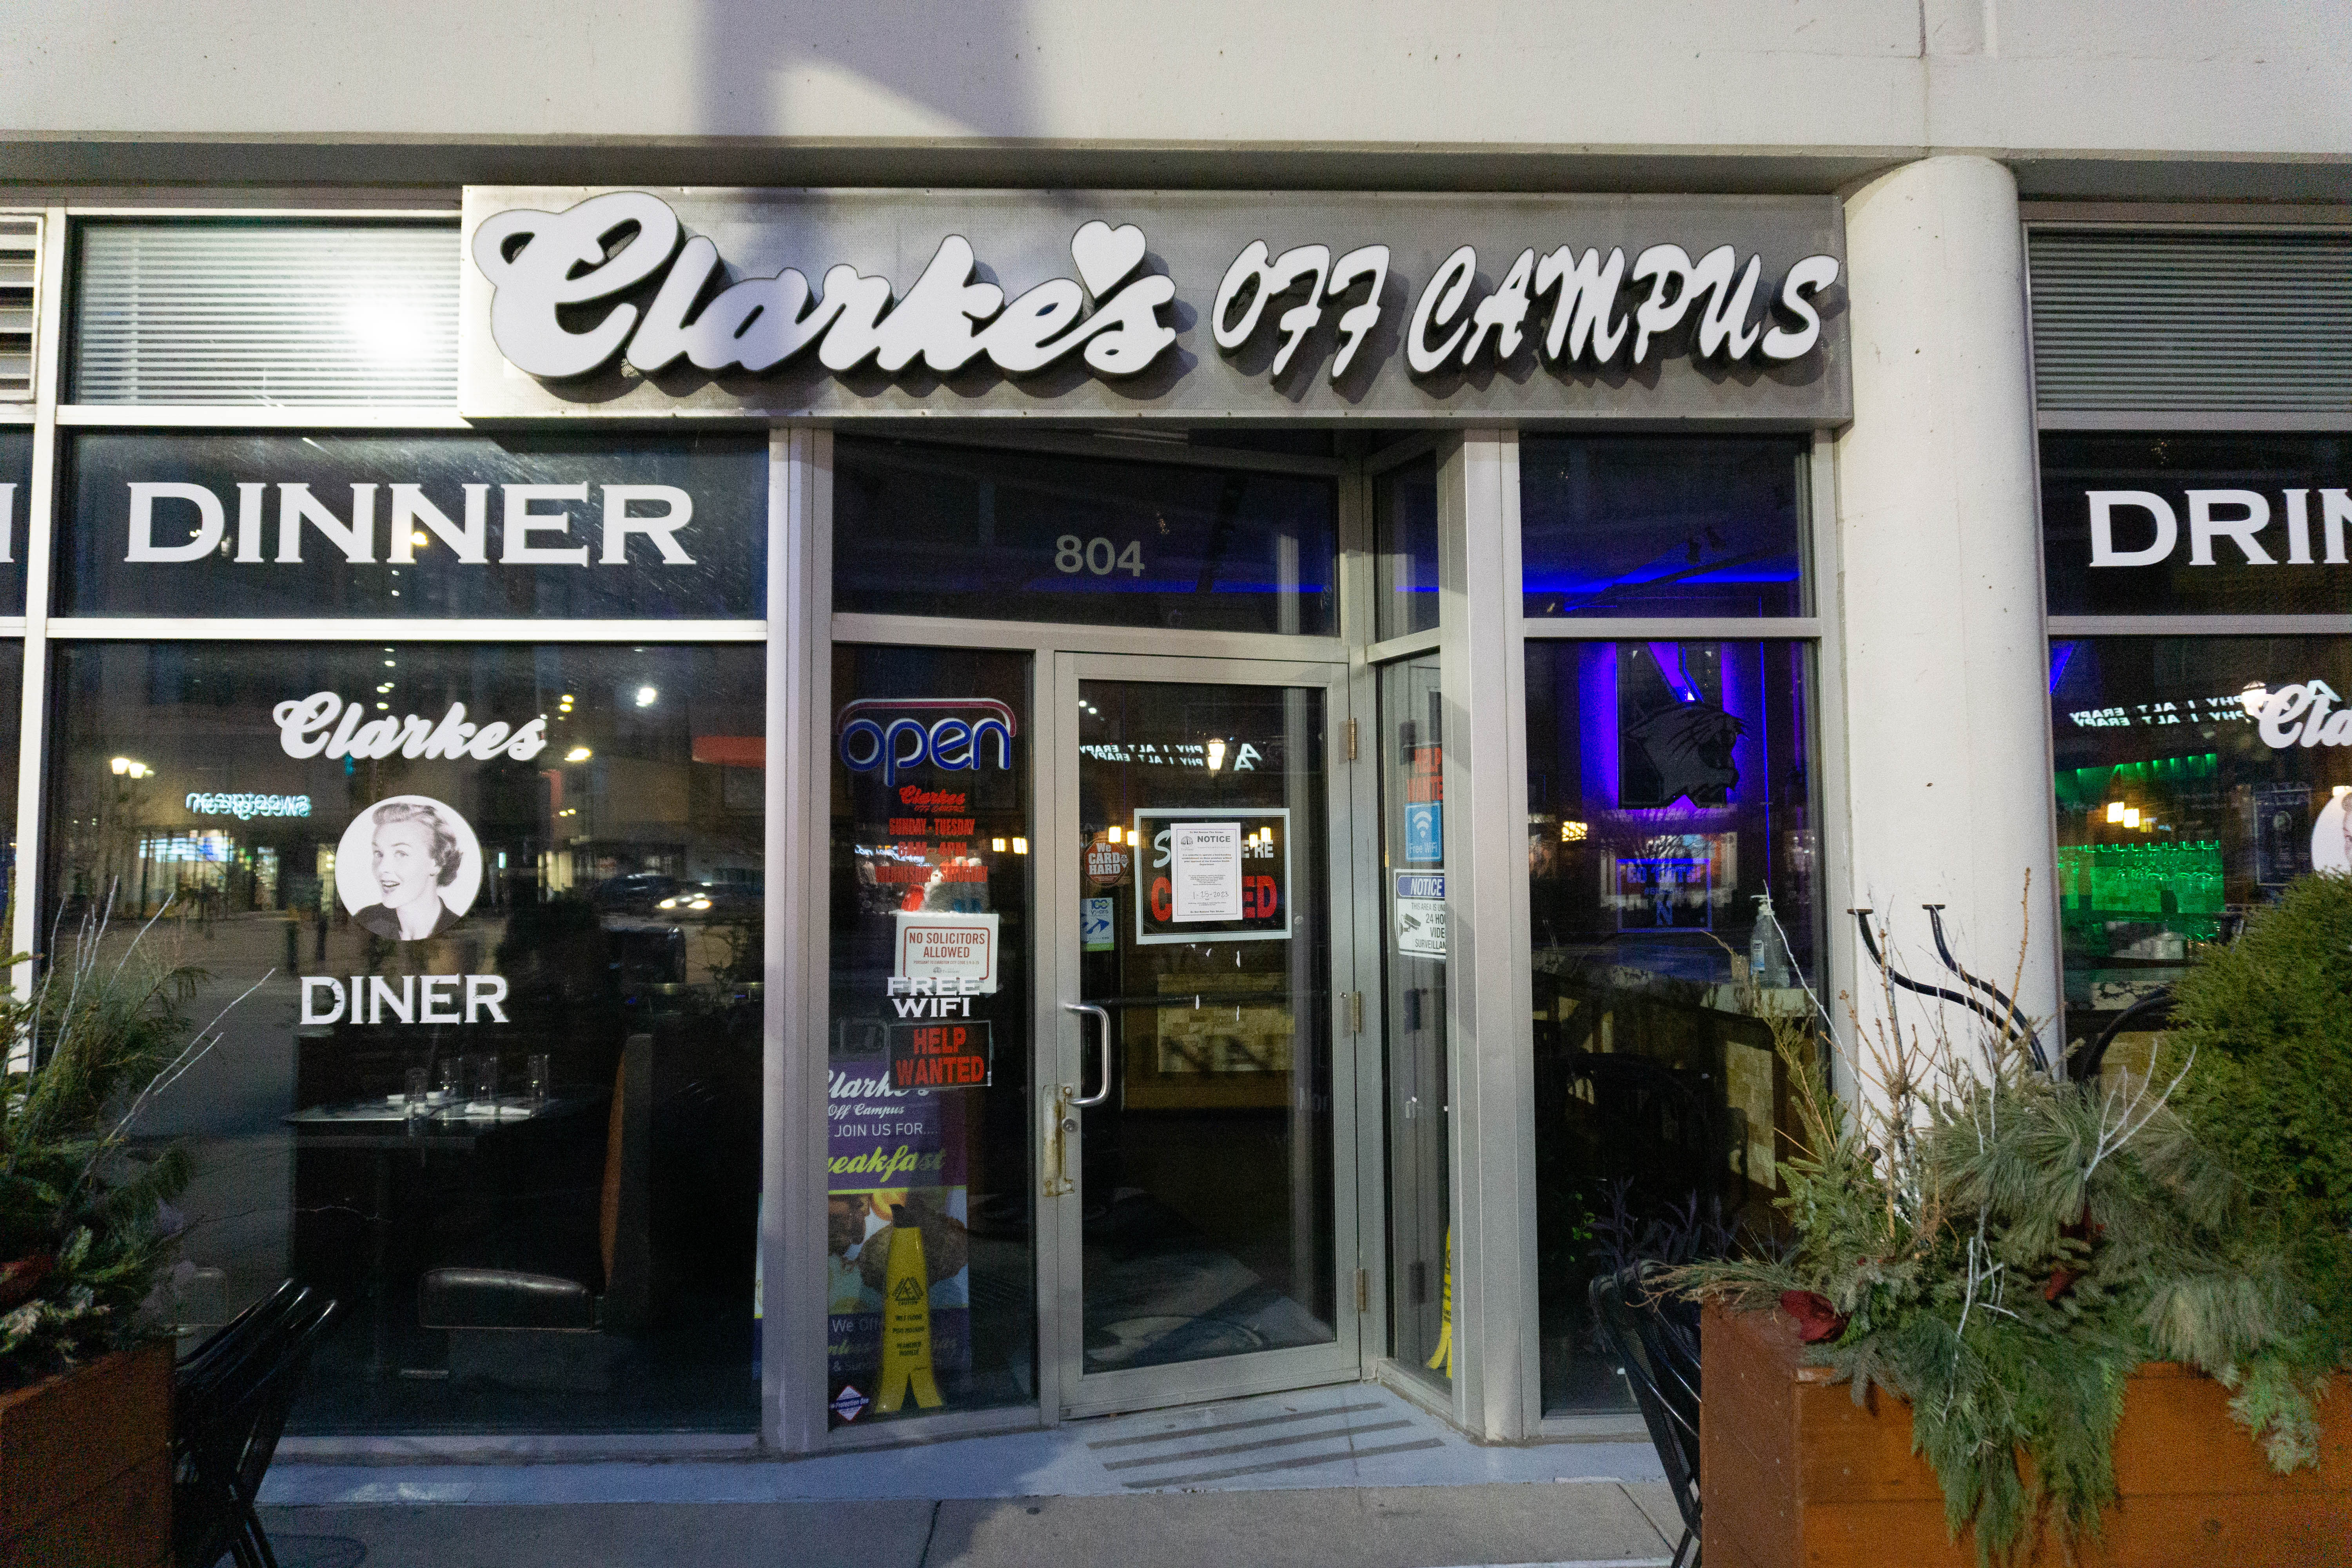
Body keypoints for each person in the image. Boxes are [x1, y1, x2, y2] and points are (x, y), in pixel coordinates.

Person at [352, 800, 467, 941]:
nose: (382, 868)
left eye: (401, 853)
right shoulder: (367, 921)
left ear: (436, 863)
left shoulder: (459, 931)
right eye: (379, 853)